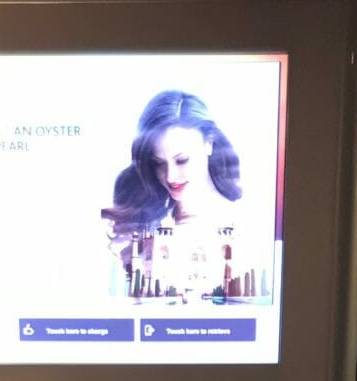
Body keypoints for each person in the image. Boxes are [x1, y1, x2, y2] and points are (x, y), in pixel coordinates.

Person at [103, 90, 270, 303]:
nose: (170, 177)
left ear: (209, 143)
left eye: (182, 160)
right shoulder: (144, 226)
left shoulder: (249, 227)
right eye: (158, 163)